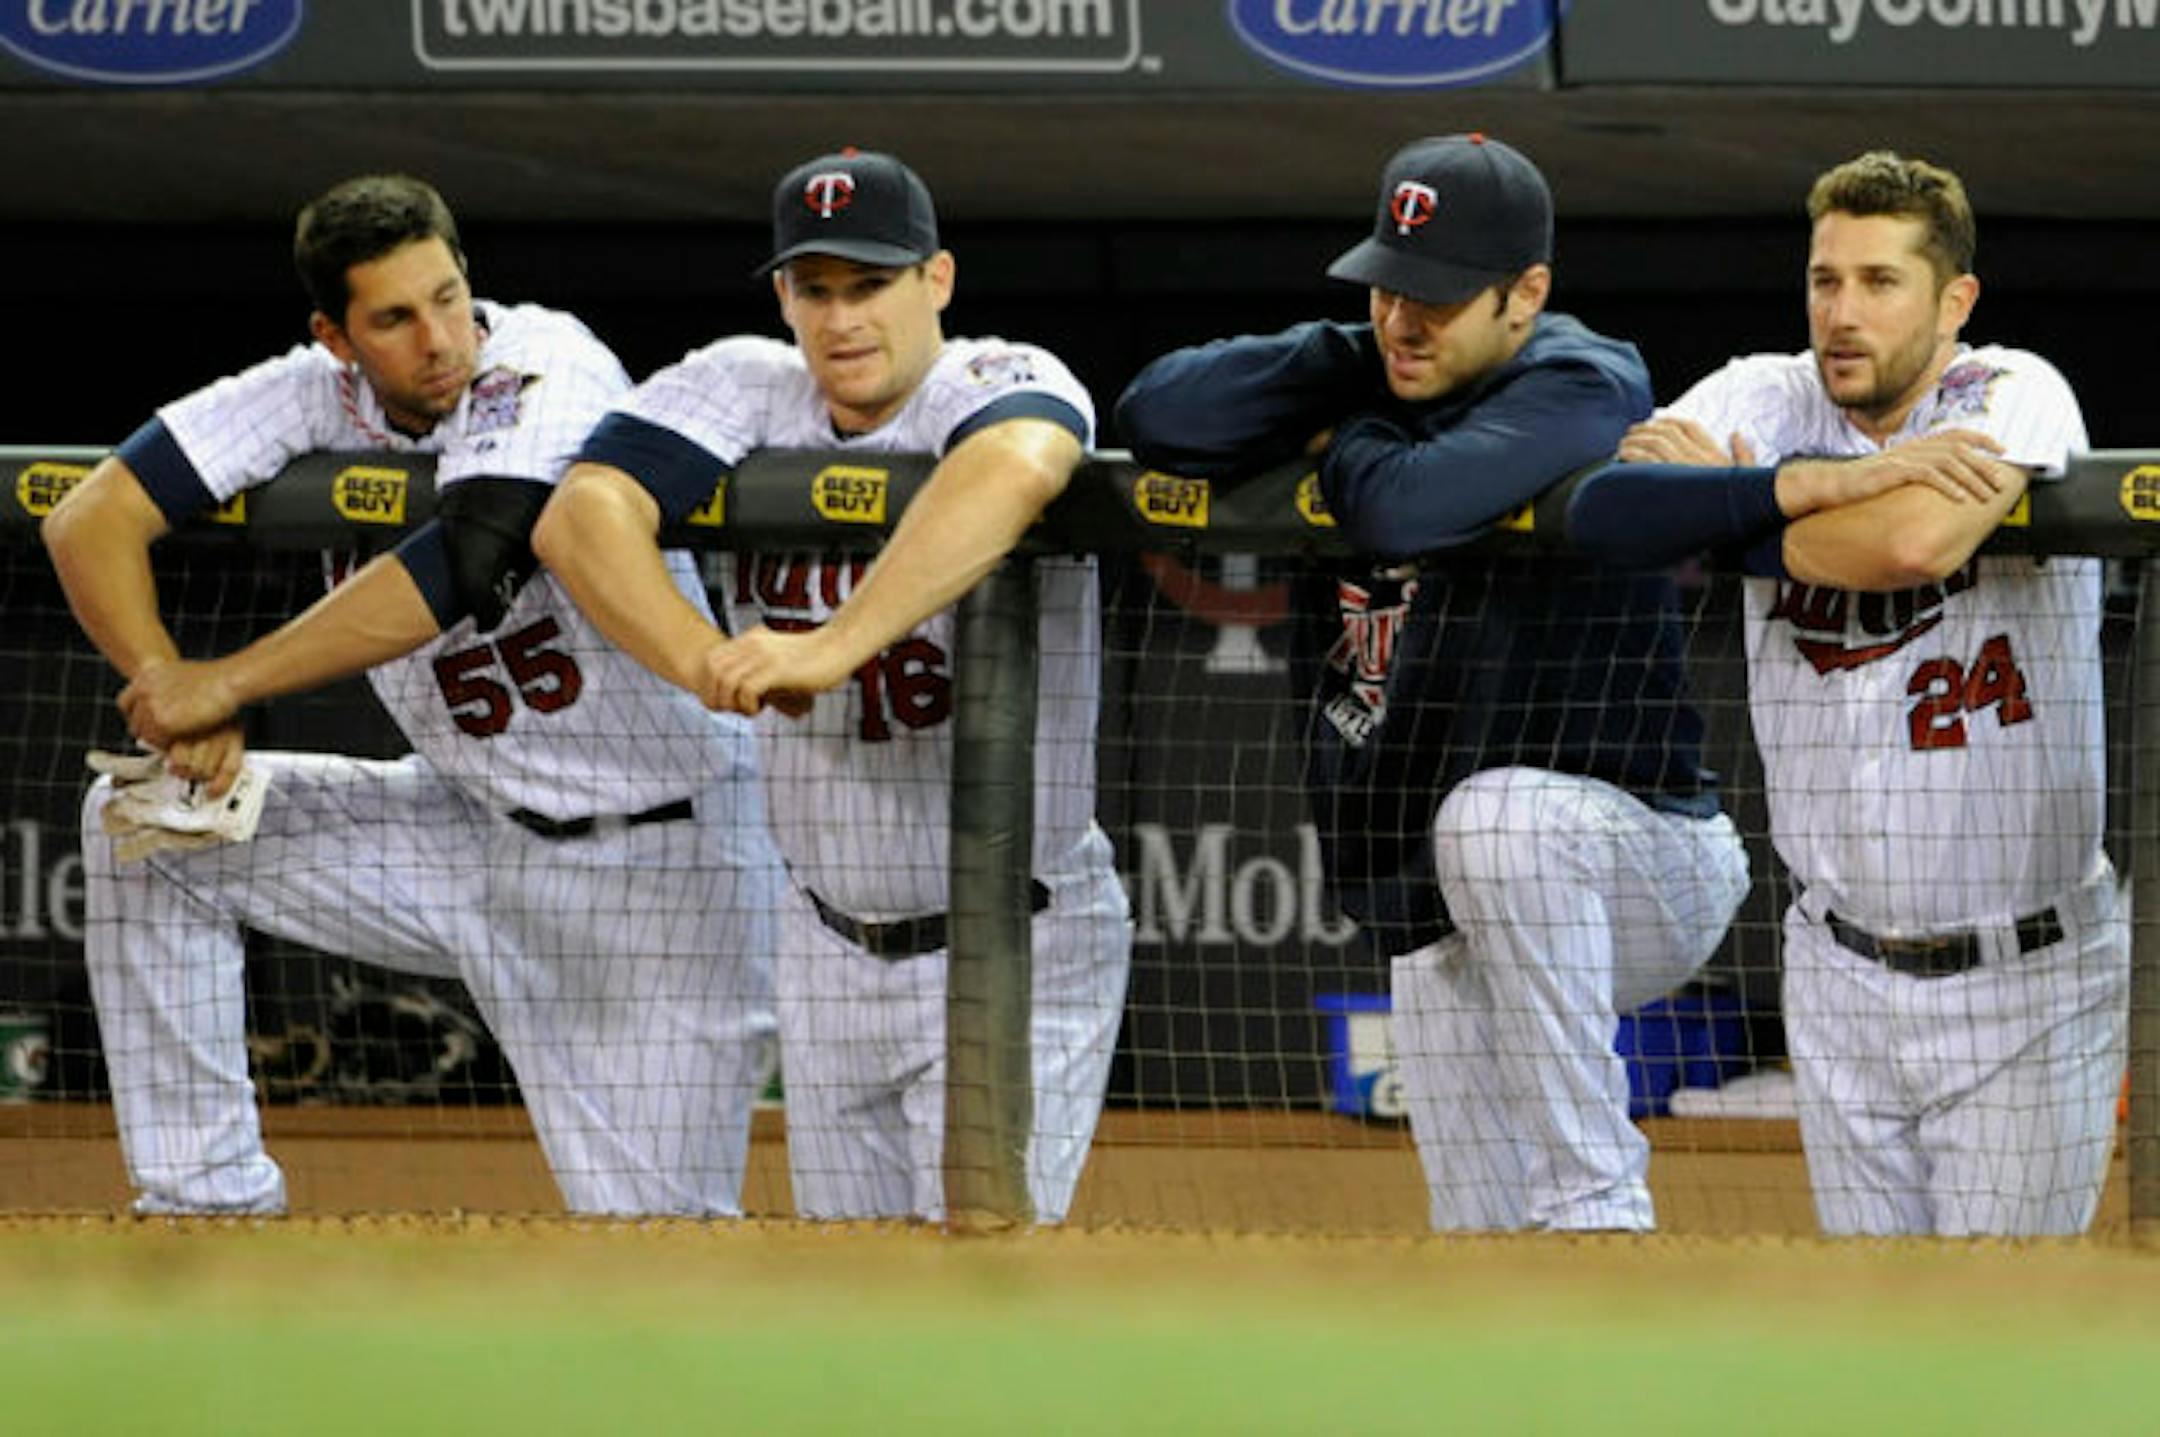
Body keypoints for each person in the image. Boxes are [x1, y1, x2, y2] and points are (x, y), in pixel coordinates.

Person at [42, 174, 782, 1218]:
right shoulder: (309, 390)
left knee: (656, 1247)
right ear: (337, 336)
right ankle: (205, 1208)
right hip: (464, 832)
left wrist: (229, 682)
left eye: (447, 296)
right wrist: (167, 685)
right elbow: (88, 517)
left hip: (663, 867)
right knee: (145, 821)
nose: (438, 337)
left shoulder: (547, 362)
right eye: (394, 317)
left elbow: (472, 558)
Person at [1116, 134, 1750, 1233]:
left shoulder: (1583, 378)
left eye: (1441, 297)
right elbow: (1156, 414)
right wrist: (1341, 360)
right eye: (1389, 288)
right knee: (1474, 1231)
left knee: (1495, 819)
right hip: (1457, 889)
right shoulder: (1380, 350)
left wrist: (1344, 433)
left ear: (1527, 293)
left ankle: (1601, 1219)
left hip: (1643, 860)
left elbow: (1400, 507)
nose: (1404, 319)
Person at [532, 148, 1132, 1224]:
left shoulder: (994, 374)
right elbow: (580, 513)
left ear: (935, 281)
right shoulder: (747, 382)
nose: (842, 318)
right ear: (783, 296)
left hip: (1008, 934)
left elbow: (1020, 465)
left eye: (871, 285)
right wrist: (702, 662)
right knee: (852, 1286)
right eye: (817, 290)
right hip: (821, 940)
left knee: (982, 1276)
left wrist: (830, 645)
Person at [1571, 151, 2126, 1237]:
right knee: (1872, 1335)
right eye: (1826, 280)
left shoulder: (2011, 389)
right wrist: (1817, 494)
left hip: (2023, 977)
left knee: (1999, 1349)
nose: (1843, 312)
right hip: (1836, 969)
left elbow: (1917, 541)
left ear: (1953, 299)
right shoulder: (1765, 392)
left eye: (1880, 282)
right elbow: (1610, 509)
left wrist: (1732, 512)